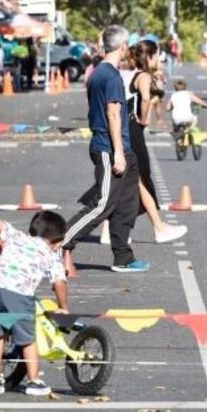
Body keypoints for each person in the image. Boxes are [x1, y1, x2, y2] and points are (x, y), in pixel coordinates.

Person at [62, 25, 148, 276]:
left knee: (127, 204)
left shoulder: (99, 72)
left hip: (122, 147)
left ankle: (123, 257)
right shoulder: (109, 76)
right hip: (109, 148)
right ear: (122, 47)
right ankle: (58, 243)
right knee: (102, 204)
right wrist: (119, 152)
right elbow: (112, 114)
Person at [0, 212, 69, 397]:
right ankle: (34, 381)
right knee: (28, 338)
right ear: (58, 242)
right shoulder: (51, 254)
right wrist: (63, 307)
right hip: (18, 292)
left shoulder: (16, 236)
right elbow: (59, 283)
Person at [122, 40, 186, 244]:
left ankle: (114, 230)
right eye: (156, 56)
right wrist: (144, 118)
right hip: (133, 129)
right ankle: (159, 227)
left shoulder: (125, 73)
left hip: (122, 127)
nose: (159, 59)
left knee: (126, 180)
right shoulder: (142, 76)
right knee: (141, 178)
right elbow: (147, 98)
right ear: (148, 57)